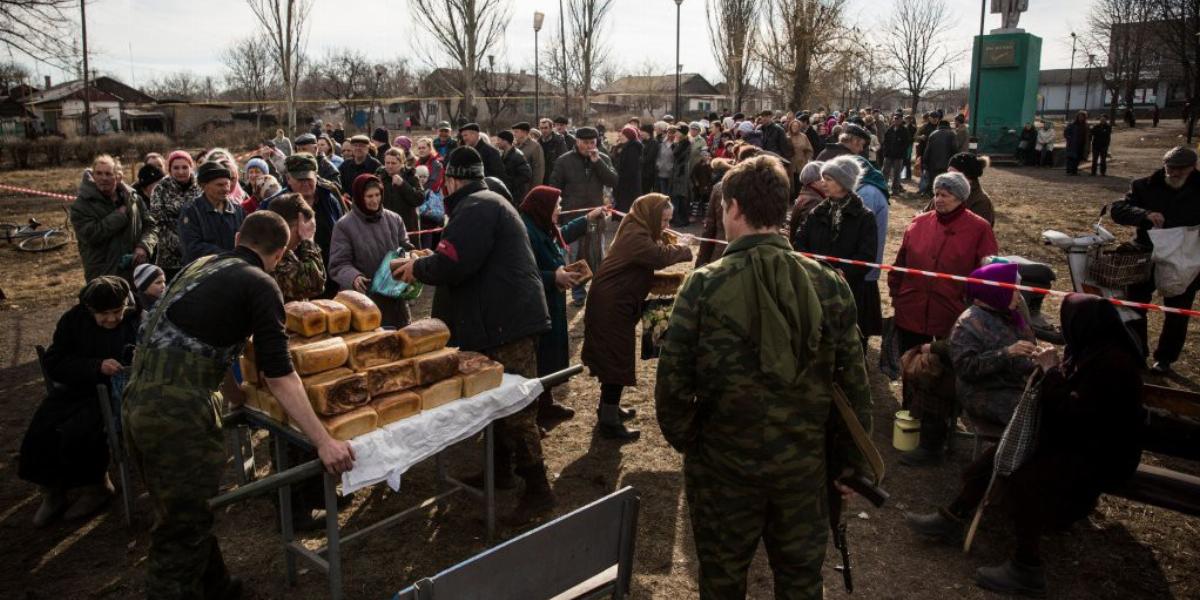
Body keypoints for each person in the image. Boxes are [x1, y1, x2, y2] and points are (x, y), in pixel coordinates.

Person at [655, 154, 872, 600]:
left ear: (733, 208)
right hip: (803, 468)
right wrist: (851, 463)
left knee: (722, 580)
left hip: (723, 468)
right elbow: (854, 384)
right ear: (783, 209)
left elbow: (671, 388)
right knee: (800, 581)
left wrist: (697, 444)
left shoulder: (703, 285)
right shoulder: (828, 283)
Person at [123, 211, 355, 599]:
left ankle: (218, 588)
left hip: (137, 400)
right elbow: (280, 375)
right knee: (180, 530)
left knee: (185, 511)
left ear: (236, 239)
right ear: (280, 255)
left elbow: (207, 342)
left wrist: (235, 399)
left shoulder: (202, 265)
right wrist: (323, 441)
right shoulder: (260, 285)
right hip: (177, 415)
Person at [905, 294, 1145, 598]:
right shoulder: (1093, 349)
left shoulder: (1114, 365)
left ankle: (1026, 568)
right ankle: (952, 518)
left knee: (1025, 478)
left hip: (1101, 454)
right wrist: (1052, 370)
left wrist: (1051, 373)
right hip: (1075, 439)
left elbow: (1075, 413)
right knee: (1000, 454)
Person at [389, 147, 554, 523]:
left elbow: (453, 263)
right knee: (491, 400)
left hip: (507, 324)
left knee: (516, 407)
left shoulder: (476, 206)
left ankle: (539, 489)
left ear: (450, 180)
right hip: (498, 320)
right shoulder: (483, 201)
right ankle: (499, 472)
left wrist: (418, 268)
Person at [890, 172, 998, 465]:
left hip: (950, 316)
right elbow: (900, 263)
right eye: (936, 193)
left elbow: (986, 275)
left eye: (946, 194)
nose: (938, 199)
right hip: (912, 310)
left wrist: (971, 310)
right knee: (911, 370)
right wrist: (897, 294)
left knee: (938, 378)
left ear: (961, 197)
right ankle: (911, 422)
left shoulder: (979, 229)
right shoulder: (918, 223)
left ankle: (934, 441)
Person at [20, 276, 140, 527]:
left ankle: (97, 486)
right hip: (80, 386)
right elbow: (55, 361)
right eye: (103, 314)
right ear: (90, 310)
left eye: (116, 311)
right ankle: (53, 491)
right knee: (42, 429)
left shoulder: (137, 320)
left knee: (81, 430)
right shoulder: (74, 321)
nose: (111, 319)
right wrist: (96, 366)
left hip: (119, 394)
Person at [581, 193, 693, 440]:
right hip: (611, 305)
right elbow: (659, 257)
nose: (665, 226)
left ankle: (608, 407)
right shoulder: (636, 235)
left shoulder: (637, 227)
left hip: (617, 301)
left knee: (615, 357)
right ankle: (609, 421)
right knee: (615, 359)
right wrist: (684, 248)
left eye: (668, 221)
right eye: (663, 220)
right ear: (651, 215)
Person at [519, 185, 605, 425]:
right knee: (540, 355)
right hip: (537, 304)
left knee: (550, 353)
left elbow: (562, 234)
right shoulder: (526, 231)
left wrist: (587, 219)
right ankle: (533, 412)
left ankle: (546, 403)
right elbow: (524, 271)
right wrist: (552, 277)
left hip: (552, 301)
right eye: (557, 205)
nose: (560, 209)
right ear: (543, 207)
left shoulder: (541, 224)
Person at [1112, 146, 1200, 373]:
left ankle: (1165, 359)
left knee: (1177, 311)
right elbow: (1118, 210)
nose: (1174, 174)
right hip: (1145, 255)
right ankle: (1137, 350)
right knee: (1135, 306)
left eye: (1180, 170)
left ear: (1193, 169)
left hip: (1184, 257)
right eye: (1170, 168)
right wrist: (1143, 215)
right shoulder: (1144, 185)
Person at [793, 156, 878, 343]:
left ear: (843, 183)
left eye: (829, 179)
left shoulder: (864, 217)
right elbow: (799, 241)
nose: (823, 183)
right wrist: (814, 268)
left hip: (849, 292)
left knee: (847, 342)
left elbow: (867, 256)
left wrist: (843, 272)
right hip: (817, 288)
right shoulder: (818, 212)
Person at [948, 262, 1038, 428]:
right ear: (996, 291)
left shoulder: (1012, 315)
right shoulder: (968, 324)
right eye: (1014, 289)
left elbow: (1029, 345)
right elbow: (965, 368)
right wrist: (1006, 353)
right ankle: (1011, 452)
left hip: (1016, 384)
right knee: (1037, 415)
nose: (1019, 295)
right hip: (985, 392)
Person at [329, 174, 412, 328]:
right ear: (359, 197)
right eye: (369, 196)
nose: (374, 200)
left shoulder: (394, 219)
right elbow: (339, 263)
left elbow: (405, 247)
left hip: (394, 298)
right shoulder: (344, 225)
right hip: (364, 302)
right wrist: (354, 277)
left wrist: (414, 255)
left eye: (377, 195)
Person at [549, 126, 619, 306]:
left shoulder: (602, 158)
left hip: (596, 215)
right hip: (572, 216)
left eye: (592, 142)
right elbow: (554, 187)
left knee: (597, 253)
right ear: (577, 141)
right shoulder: (564, 161)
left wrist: (597, 163)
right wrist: (554, 210)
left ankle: (597, 291)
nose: (589, 146)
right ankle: (578, 293)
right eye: (585, 142)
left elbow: (612, 180)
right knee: (576, 256)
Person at [262, 153, 347, 296]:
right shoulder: (274, 205)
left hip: (330, 277)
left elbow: (342, 232)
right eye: (300, 179)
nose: (305, 183)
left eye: (309, 178)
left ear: (316, 176)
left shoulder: (329, 199)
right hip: (291, 283)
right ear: (288, 179)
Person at [71, 155, 157, 282]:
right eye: (99, 173)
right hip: (103, 275)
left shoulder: (133, 198)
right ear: (93, 176)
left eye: (108, 174)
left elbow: (151, 226)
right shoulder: (82, 205)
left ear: (118, 176)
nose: (103, 178)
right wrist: (119, 216)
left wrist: (144, 246)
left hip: (135, 272)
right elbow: (90, 235)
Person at [180, 161, 245, 266]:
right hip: (204, 272)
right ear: (203, 186)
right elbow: (192, 248)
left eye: (227, 184)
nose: (225, 189)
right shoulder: (191, 211)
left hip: (234, 270)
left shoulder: (237, 210)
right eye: (219, 185)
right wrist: (227, 256)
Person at [264, 193, 326, 302]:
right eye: (301, 230)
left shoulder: (285, 251)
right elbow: (314, 284)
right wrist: (309, 240)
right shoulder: (271, 256)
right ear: (287, 226)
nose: (301, 237)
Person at [150, 150, 200, 281]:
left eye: (185, 167)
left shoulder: (200, 187)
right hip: (169, 260)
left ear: (191, 167)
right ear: (169, 169)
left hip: (197, 257)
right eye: (176, 167)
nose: (181, 171)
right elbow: (158, 222)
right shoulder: (160, 188)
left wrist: (195, 247)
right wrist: (183, 247)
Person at [925, 152, 995, 227]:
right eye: (948, 173)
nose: (948, 177)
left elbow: (976, 231)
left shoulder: (981, 201)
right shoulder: (942, 193)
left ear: (968, 176)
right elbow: (924, 216)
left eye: (954, 174)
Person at [376, 147, 425, 233]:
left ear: (402, 163)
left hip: (406, 226)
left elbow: (419, 199)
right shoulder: (380, 175)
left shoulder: (411, 175)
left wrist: (403, 185)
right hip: (384, 225)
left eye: (393, 163)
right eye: (387, 163)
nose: (390, 166)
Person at [787, 160, 826, 242]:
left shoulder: (806, 196)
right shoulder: (813, 201)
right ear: (814, 181)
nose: (826, 183)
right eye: (824, 179)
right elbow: (812, 234)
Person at [613, 125, 644, 214]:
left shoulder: (633, 148)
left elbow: (631, 167)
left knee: (628, 202)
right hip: (624, 180)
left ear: (629, 136)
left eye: (623, 135)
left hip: (629, 182)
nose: (620, 136)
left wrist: (622, 176)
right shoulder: (623, 147)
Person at [495, 130, 532, 203]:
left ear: (505, 141)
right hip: (509, 193)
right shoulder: (504, 155)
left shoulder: (517, 155)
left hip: (516, 196)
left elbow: (526, 175)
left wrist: (511, 184)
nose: (497, 142)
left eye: (498, 140)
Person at [922, 119, 959, 191]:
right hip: (947, 163)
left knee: (935, 180)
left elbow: (927, 150)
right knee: (946, 181)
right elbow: (955, 149)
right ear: (948, 125)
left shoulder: (932, 134)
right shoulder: (952, 134)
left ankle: (934, 194)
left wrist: (925, 162)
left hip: (933, 163)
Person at [414, 165, 445, 250]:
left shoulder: (434, 190)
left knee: (429, 249)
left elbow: (441, 207)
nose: (422, 179)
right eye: (420, 176)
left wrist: (440, 223)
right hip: (421, 226)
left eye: (425, 176)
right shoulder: (414, 189)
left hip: (430, 226)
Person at [668, 126, 693, 227]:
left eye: (678, 132)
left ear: (682, 133)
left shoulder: (686, 143)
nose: (676, 134)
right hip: (677, 172)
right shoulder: (681, 142)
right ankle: (677, 218)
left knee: (680, 196)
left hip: (681, 173)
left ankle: (682, 220)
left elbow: (676, 154)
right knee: (676, 196)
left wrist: (675, 143)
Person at [882, 113, 912, 194]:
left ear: (901, 120)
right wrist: (885, 151)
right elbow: (885, 141)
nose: (896, 120)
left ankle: (895, 190)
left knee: (897, 174)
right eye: (895, 118)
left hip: (898, 156)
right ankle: (883, 188)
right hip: (888, 155)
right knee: (885, 172)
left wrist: (901, 152)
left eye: (898, 119)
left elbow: (907, 143)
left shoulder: (904, 130)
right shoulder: (890, 129)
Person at [512, 122, 545, 188]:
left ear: (524, 132)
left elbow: (538, 170)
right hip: (517, 187)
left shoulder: (535, 146)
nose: (514, 134)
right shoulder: (514, 146)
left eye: (516, 132)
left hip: (528, 187)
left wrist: (535, 189)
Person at [538, 117, 569, 183]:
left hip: (555, 176)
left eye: (546, 128)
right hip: (542, 176)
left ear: (551, 128)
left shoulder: (559, 141)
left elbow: (564, 158)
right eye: (541, 128)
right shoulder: (538, 142)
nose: (543, 130)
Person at [1063, 111, 1089, 176]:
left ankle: (1074, 171)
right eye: (1079, 116)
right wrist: (1070, 139)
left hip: (1081, 145)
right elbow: (1066, 133)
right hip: (1072, 144)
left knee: (1078, 158)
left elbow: (1087, 135)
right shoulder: (1072, 124)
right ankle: (1069, 171)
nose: (1081, 118)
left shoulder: (1085, 125)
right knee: (1070, 158)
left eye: (1082, 116)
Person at [639, 123, 660, 195]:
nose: (640, 133)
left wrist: (638, 160)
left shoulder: (654, 143)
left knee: (646, 192)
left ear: (648, 132)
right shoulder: (642, 142)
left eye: (642, 131)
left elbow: (649, 158)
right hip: (641, 172)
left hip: (649, 173)